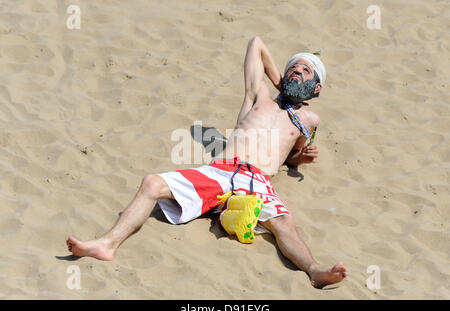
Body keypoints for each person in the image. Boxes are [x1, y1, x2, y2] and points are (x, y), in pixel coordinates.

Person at [66, 36, 347, 289]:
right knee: (152, 182)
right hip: (223, 170)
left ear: (317, 87)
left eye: (305, 71)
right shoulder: (259, 96)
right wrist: (284, 84)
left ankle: (314, 270)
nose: (297, 71)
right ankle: (107, 244)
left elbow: (292, 157)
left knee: (284, 224)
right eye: (292, 69)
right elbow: (256, 44)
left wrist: (302, 159)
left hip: (258, 180)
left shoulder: (308, 120)